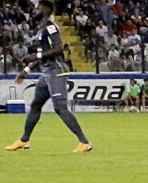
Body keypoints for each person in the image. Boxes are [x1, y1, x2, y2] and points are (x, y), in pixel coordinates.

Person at [6, 16, 93, 154]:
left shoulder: (51, 28)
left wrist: (35, 57)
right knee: (36, 104)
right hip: (46, 74)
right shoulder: (40, 32)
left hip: (56, 71)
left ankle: (84, 142)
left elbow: (58, 50)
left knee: (60, 107)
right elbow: (42, 56)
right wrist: (26, 70)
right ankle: (24, 140)